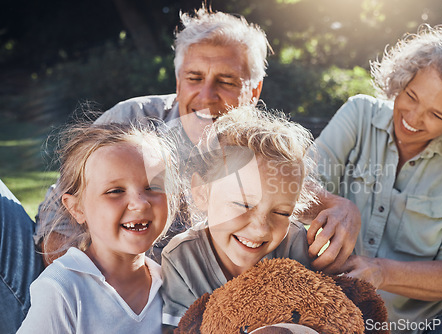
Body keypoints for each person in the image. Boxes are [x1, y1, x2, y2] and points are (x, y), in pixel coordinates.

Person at [1, 6, 359, 333]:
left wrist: (341, 207)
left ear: (254, 90)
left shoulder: (257, 152)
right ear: (177, 81)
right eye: (194, 77)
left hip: (169, 307)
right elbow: (58, 212)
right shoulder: (133, 122)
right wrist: (95, 289)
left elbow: (290, 199)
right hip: (77, 293)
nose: (206, 95)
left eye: (227, 81)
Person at [312, 20, 442, 333]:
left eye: (436, 114)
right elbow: (296, 185)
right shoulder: (359, 114)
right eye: (411, 96)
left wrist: (379, 272)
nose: (412, 118)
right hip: (351, 307)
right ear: (404, 78)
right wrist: (337, 203)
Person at [161, 105, 318, 328]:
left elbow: (315, 314)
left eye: (282, 212)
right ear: (202, 192)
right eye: (243, 205)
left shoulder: (294, 244)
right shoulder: (182, 259)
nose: (261, 229)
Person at [17, 121, 182, 333]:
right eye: (115, 191)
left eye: (153, 187)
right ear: (77, 209)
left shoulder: (172, 286)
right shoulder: (63, 288)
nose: (140, 203)